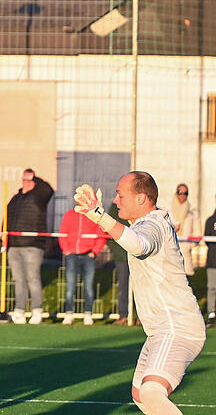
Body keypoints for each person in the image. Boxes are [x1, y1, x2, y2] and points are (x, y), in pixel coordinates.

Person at [73, 172, 205, 415]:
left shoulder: (153, 225)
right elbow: (134, 238)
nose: (116, 200)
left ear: (141, 198)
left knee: (151, 392)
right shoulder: (146, 224)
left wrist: (99, 216)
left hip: (177, 327)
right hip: (161, 330)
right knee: (141, 396)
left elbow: (139, 244)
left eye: (121, 195)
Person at [6, 168, 54, 324]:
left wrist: (36, 178)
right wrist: (5, 239)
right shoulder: (16, 198)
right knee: (18, 280)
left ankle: (37, 311)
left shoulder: (39, 197)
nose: (25, 183)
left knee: (33, 279)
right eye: (24, 180)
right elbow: (7, 218)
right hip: (14, 246)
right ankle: (19, 311)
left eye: (29, 180)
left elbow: (48, 190)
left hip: (33, 245)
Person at [58, 207, 107, 325]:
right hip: (71, 255)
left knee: (88, 287)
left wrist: (95, 251)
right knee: (70, 287)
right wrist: (66, 250)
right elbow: (63, 233)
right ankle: (69, 313)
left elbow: (101, 235)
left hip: (88, 255)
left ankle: (88, 314)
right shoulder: (69, 214)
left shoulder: (93, 215)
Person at [107, 202, 133, 325]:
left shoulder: (137, 205)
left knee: (142, 287)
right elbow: (109, 228)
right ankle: (123, 315)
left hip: (138, 255)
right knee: (123, 286)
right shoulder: (115, 207)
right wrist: (114, 249)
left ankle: (140, 317)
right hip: (121, 255)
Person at [169, 183, 200, 276]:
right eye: (180, 192)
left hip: (185, 255)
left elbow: (198, 233)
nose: (182, 195)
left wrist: (188, 246)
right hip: (170, 253)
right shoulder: (168, 210)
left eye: (185, 193)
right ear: (176, 193)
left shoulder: (193, 211)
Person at [202, 195, 216, 328]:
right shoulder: (210, 220)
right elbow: (207, 240)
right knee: (212, 287)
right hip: (212, 260)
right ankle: (211, 314)